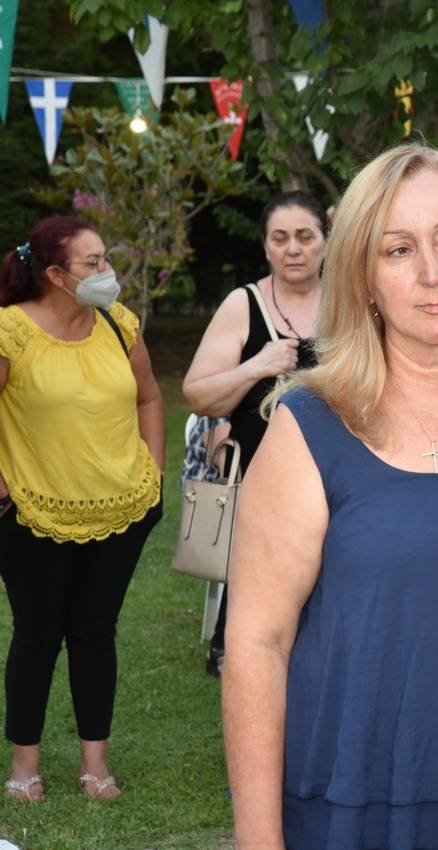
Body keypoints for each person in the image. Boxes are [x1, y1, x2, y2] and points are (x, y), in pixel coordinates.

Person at [221, 144, 438, 850]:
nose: (432, 272)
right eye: (398, 250)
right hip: (352, 800)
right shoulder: (310, 426)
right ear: (364, 279)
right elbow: (257, 646)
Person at [0, 217, 164, 800]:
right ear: (54, 274)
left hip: (121, 511)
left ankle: (96, 764)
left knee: (95, 633)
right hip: (33, 514)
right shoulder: (12, 331)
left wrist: (154, 473)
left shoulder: (120, 324)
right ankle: (25, 766)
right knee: (37, 635)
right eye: (93, 263)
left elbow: (150, 396)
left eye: (106, 259)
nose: (107, 272)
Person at [182, 192, 327, 675]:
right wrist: (257, 365)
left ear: (326, 241)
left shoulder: (351, 302)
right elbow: (198, 395)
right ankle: (240, 656)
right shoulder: (244, 305)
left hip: (338, 479)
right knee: (260, 606)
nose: (293, 249)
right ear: (265, 246)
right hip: (261, 487)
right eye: (280, 238)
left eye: (305, 236)